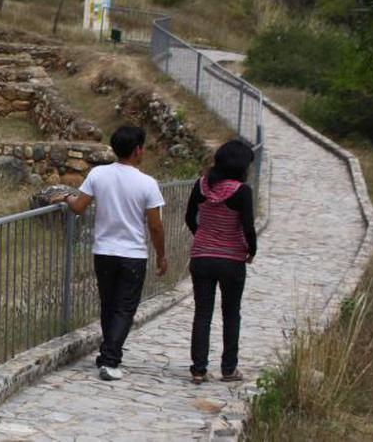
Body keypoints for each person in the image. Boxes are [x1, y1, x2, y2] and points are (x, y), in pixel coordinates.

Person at [54, 125, 167, 381]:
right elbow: (156, 225)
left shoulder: (98, 174)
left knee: (108, 304)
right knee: (125, 308)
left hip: (103, 251)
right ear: (138, 150)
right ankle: (111, 360)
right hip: (133, 254)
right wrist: (161, 254)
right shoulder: (148, 183)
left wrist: (66, 198)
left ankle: (107, 351)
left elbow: (80, 206)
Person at [184, 139, 257, 384]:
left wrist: (203, 237)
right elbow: (248, 227)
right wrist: (251, 251)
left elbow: (189, 217)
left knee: (202, 313)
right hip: (231, 259)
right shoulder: (241, 191)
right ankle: (228, 369)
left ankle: (198, 369)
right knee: (231, 313)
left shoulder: (201, 185)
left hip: (202, 257)